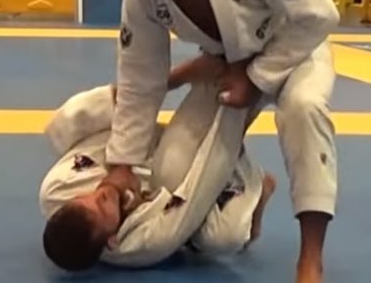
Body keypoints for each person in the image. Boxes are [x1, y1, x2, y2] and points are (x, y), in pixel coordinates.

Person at [104, 0, 340, 283]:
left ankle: (310, 259)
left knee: (304, 108)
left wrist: (256, 78)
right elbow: (138, 78)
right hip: (227, 65)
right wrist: (122, 165)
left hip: (295, 48)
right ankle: (253, 184)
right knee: (170, 176)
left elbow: (319, 15)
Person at [40, 55, 276, 270]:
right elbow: (197, 189)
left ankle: (222, 64)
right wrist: (234, 125)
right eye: (102, 208)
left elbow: (91, 114)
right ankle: (253, 182)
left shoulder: (58, 190)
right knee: (223, 237)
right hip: (176, 181)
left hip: (134, 139)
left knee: (61, 128)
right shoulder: (147, 243)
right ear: (112, 241)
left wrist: (183, 74)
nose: (99, 196)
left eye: (86, 199)